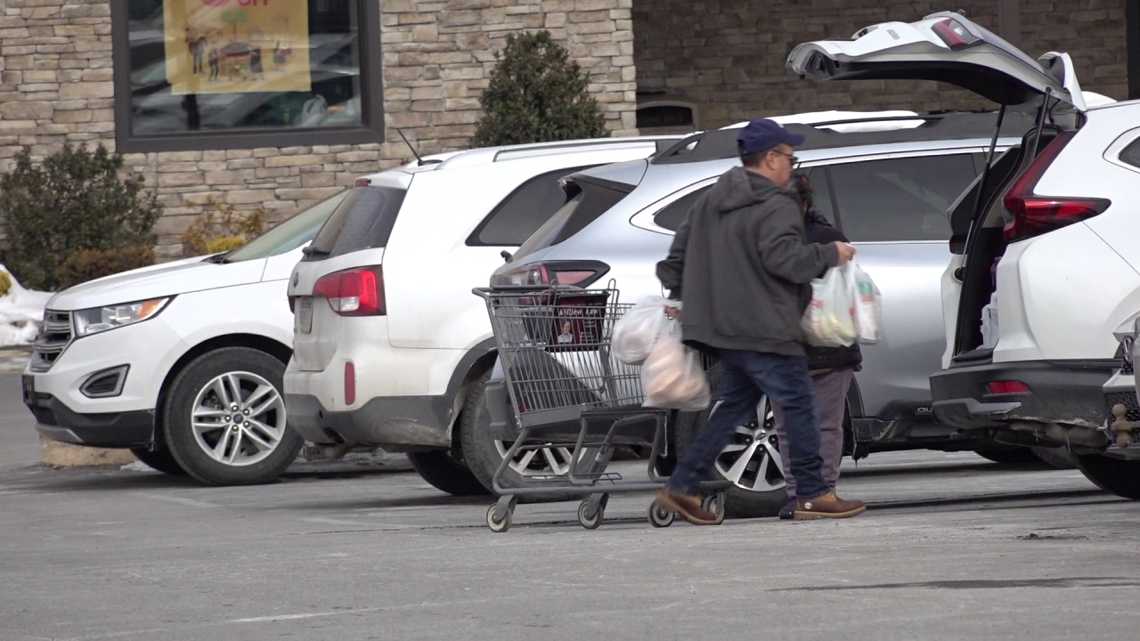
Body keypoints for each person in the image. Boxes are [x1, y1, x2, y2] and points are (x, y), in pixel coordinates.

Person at [654, 118, 866, 523]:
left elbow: (673, 262)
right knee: (800, 402)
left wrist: (690, 296)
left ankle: (681, 487)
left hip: (725, 327)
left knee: (735, 406)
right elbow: (785, 260)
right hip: (765, 325)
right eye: (789, 156)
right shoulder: (776, 203)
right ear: (770, 159)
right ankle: (812, 493)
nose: (791, 165)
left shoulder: (711, 199)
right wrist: (830, 254)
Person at [773, 172, 863, 519]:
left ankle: (811, 493)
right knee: (812, 426)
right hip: (817, 346)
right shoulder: (828, 239)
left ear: (804, 205)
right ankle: (810, 494)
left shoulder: (819, 240)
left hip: (809, 350)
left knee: (807, 425)